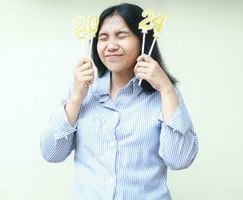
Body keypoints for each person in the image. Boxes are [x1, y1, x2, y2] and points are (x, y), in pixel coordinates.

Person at [40, 3, 198, 200]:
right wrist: (76, 98)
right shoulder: (82, 92)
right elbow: (51, 153)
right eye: (103, 38)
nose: (111, 45)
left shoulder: (165, 94)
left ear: (142, 40)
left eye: (122, 35)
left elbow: (180, 159)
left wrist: (166, 89)